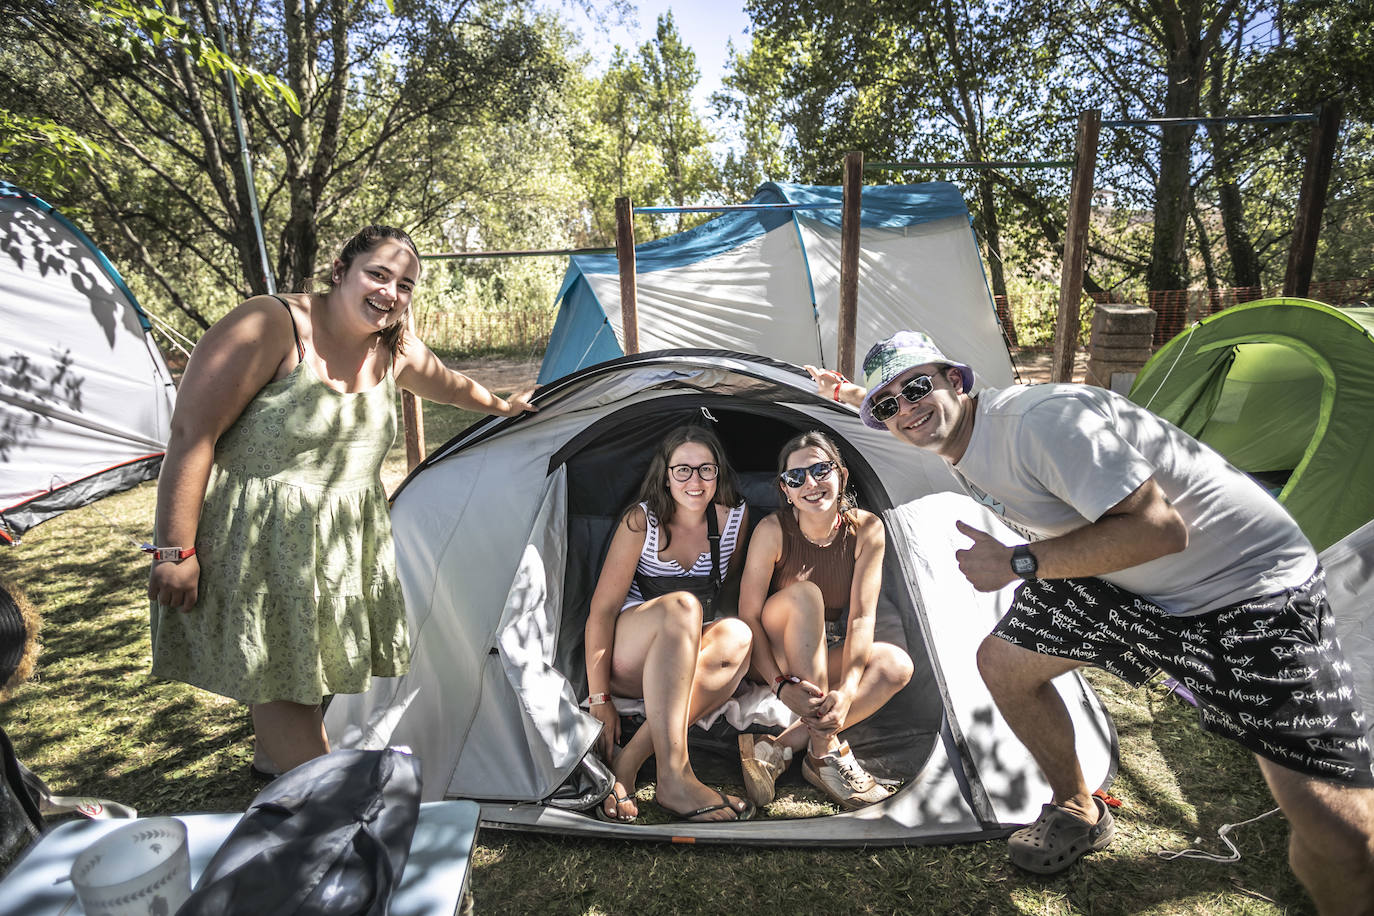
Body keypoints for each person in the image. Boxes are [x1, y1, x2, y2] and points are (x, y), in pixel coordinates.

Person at [811, 330, 1374, 911]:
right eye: (887, 405)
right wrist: (854, 394)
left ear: (957, 380)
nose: (906, 409)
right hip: (1137, 581)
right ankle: (1078, 808)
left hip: (1249, 590)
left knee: (1338, 834)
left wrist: (1017, 563)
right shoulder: (953, 432)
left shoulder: (1039, 423)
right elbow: (902, 407)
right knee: (1003, 662)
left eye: (918, 387)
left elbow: (1159, 527)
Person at [147, 225, 534, 778]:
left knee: (306, 667)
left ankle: (273, 761)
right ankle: (326, 803)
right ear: (339, 271)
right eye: (378, 274)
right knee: (286, 675)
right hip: (262, 540)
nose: (390, 292)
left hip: (340, 541)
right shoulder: (271, 324)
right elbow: (191, 434)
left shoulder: (391, 347)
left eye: (404, 284)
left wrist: (500, 406)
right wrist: (174, 552)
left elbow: (445, 382)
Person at [583, 425, 755, 823]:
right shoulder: (641, 521)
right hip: (632, 652)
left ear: (719, 473)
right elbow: (602, 611)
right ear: (665, 475)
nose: (695, 481)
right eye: (682, 470)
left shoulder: (735, 518)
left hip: (686, 649)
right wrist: (599, 698)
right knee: (682, 606)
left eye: (705, 470)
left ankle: (628, 762)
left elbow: (728, 593)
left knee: (739, 634)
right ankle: (675, 774)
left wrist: (726, 658)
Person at [735, 431, 913, 811]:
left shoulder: (866, 529)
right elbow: (747, 617)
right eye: (797, 478)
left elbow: (863, 618)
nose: (811, 484)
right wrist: (780, 685)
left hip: (820, 647)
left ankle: (778, 748)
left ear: (842, 475)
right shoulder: (772, 531)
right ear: (785, 490)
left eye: (821, 470)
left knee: (896, 666)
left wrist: (847, 689)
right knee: (806, 593)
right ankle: (824, 753)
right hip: (770, 652)